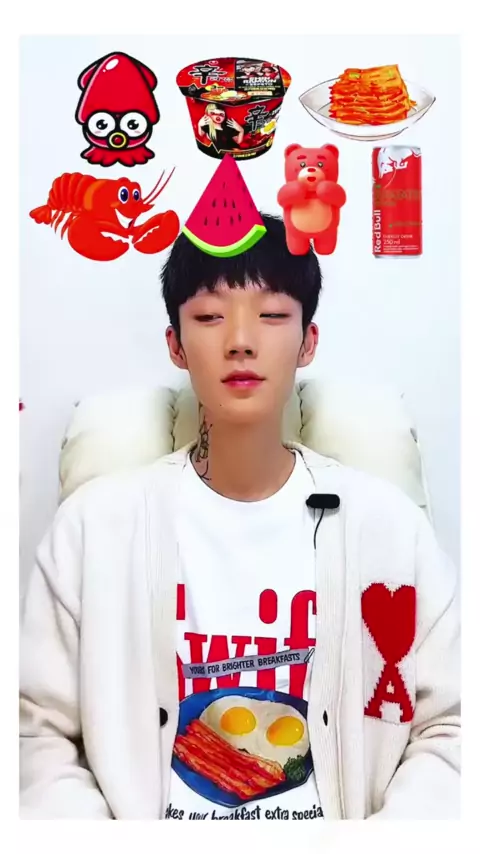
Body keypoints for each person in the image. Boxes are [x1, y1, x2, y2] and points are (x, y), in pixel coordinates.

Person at [19, 214, 460, 820]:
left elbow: (453, 726)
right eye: (209, 317)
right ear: (176, 345)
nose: (241, 340)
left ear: (308, 341)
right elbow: (35, 736)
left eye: (272, 315)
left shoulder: (389, 530)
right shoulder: (91, 531)